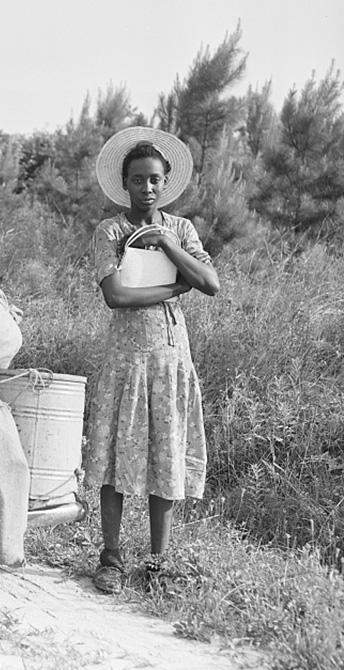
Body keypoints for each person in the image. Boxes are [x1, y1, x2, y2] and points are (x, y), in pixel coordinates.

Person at [86, 127, 221, 594]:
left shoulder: (180, 229)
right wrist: (172, 289)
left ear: (166, 183)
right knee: (114, 455)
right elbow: (116, 296)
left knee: (166, 453)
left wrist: (166, 245)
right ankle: (111, 557)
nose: (147, 187)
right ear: (125, 183)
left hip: (169, 359)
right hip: (126, 358)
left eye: (155, 180)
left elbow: (210, 282)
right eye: (138, 179)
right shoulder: (111, 231)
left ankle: (158, 562)